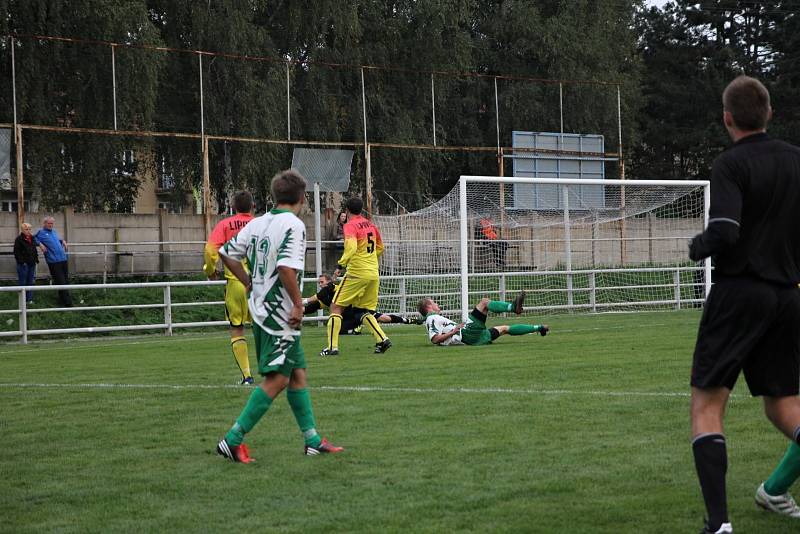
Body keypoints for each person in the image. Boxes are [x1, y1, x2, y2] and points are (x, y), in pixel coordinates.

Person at [687, 75, 800, 534]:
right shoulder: (797, 160)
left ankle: (719, 525)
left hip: (740, 293)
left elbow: (726, 231)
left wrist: (698, 246)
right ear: (769, 113)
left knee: (707, 405)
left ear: (727, 118)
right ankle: (770, 496)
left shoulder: (730, 164)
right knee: (784, 406)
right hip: (788, 296)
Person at [215, 169, 343, 463]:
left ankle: (312, 440)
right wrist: (298, 305)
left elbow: (226, 253)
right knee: (278, 379)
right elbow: (286, 269)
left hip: (261, 307)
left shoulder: (258, 223)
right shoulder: (294, 226)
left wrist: (248, 282)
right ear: (302, 197)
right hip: (279, 313)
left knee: (297, 374)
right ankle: (232, 440)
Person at [320, 198, 391, 356]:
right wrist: (369, 258)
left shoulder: (350, 226)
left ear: (346, 210)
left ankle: (332, 348)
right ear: (361, 210)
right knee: (362, 311)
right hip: (373, 273)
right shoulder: (370, 224)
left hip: (357, 273)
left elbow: (351, 248)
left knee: (335, 307)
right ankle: (382, 339)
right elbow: (380, 247)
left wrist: (340, 265)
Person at [203, 190, 255, 385]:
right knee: (265, 328)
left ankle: (247, 376)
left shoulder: (225, 225)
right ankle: (275, 373)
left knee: (237, 328)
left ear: (233, 208)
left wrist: (210, 270)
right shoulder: (261, 224)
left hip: (235, 283)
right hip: (260, 283)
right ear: (253, 206)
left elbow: (210, 250)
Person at [418, 292, 548, 346]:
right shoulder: (432, 318)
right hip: (467, 334)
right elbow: (434, 339)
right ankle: (513, 307)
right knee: (485, 302)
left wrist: (455, 328)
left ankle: (539, 328)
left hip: (472, 339)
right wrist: (453, 332)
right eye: (434, 302)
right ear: (429, 306)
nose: (437, 304)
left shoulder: (433, 318)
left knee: (504, 329)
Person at [304, 274, 419, 334]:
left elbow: (324, 291)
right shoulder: (325, 297)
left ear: (329, 282)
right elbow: (311, 308)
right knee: (339, 330)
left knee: (385, 319)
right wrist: (298, 309)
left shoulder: (334, 288)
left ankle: (409, 320)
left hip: (358, 310)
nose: (320, 284)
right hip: (350, 318)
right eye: (319, 282)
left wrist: (305, 300)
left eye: (322, 282)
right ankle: (356, 327)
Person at [35, 216, 72, 307]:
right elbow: (32, 239)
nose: (51, 225)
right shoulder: (41, 233)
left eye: (52, 223)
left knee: (65, 281)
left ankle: (61, 300)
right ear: (44, 223)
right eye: (49, 223)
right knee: (61, 281)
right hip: (53, 261)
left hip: (63, 259)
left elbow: (55, 241)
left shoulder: (54, 232)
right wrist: (40, 244)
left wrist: (62, 241)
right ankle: (68, 304)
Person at [13, 222, 38, 304]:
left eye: (29, 229)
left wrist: (36, 259)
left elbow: (34, 250)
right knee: (22, 282)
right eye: (26, 229)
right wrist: (22, 262)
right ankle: (22, 300)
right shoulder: (19, 239)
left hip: (32, 263)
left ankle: (29, 299)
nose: (28, 231)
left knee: (30, 281)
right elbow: (16, 252)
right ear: (22, 230)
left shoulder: (32, 238)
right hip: (23, 264)